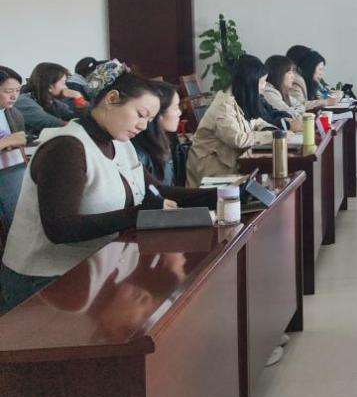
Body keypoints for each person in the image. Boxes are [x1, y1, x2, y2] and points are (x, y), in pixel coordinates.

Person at [0, 61, 216, 312]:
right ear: (112, 99)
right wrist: (138, 215)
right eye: (140, 114)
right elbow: (60, 228)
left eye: (150, 119)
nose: (144, 126)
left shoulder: (120, 142)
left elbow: (158, 191)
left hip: (93, 267)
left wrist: (223, 195)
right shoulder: (67, 147)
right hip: (44, 280)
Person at [186, 55, 278, 187]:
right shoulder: (223, 107)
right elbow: (237, 139)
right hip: (211, 174)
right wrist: (273, 136)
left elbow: (256, 121)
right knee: (265, 183)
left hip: (230, 168)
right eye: (262, 82)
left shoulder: (237, 100)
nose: (264, 87)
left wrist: (270, 130)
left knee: (267, 181)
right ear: (250, 82)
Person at [132, 81, 181, 186]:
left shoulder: (165, 141)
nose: (180, 113)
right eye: (176, 108)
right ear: (158, 114)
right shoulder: (138, 154)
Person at [0, 66, 28, 227]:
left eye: (17, 91)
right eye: (8, 91)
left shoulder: (14, 113)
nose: (14, 96)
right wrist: (7, 141)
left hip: (10, 168)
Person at [263, 55, 305, 119]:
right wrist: (295, 112)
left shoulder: (281, 91)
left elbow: (301, 107)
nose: (293, 76)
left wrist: (293, 112)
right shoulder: (269, 92)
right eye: (289, 73)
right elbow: (287, 114)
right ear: (279, 74)